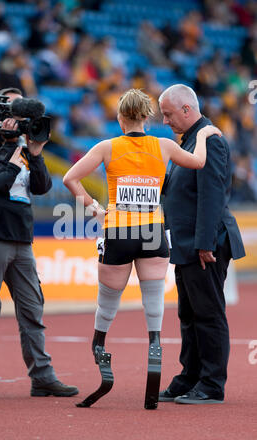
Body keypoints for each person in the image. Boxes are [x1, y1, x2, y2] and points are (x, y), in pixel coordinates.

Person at [63, 88, 221, 408]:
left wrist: (93, 207)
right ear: (148, 118)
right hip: (152, 230)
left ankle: (100, 345)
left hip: (119, 230)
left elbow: (69, 178)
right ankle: (155, 346)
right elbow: (199, 161)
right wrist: (203, 134)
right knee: (153, 299)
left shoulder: (107, 147)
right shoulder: (164, 146)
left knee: (108, 301)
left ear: (121, 117)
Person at [0, 87, 79, 399]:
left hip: (22, 239)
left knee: (32, 310)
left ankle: (42, 376)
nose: (19, 119)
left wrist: (37, 152)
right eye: (13, 110)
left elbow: (41, 187)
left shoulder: (26, 147)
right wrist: (10, 146)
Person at [158, 84, 246, 404]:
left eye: (168, 114)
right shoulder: (190, 141)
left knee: (207, 313)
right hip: (187, 243)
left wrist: (205, 242)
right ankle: (189, 376)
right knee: (189, 314)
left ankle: (211, 384)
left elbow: (212, 195)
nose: (165, 121)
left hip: (204, 244)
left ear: (186, 109)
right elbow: (179, 191)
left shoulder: (211, 139)